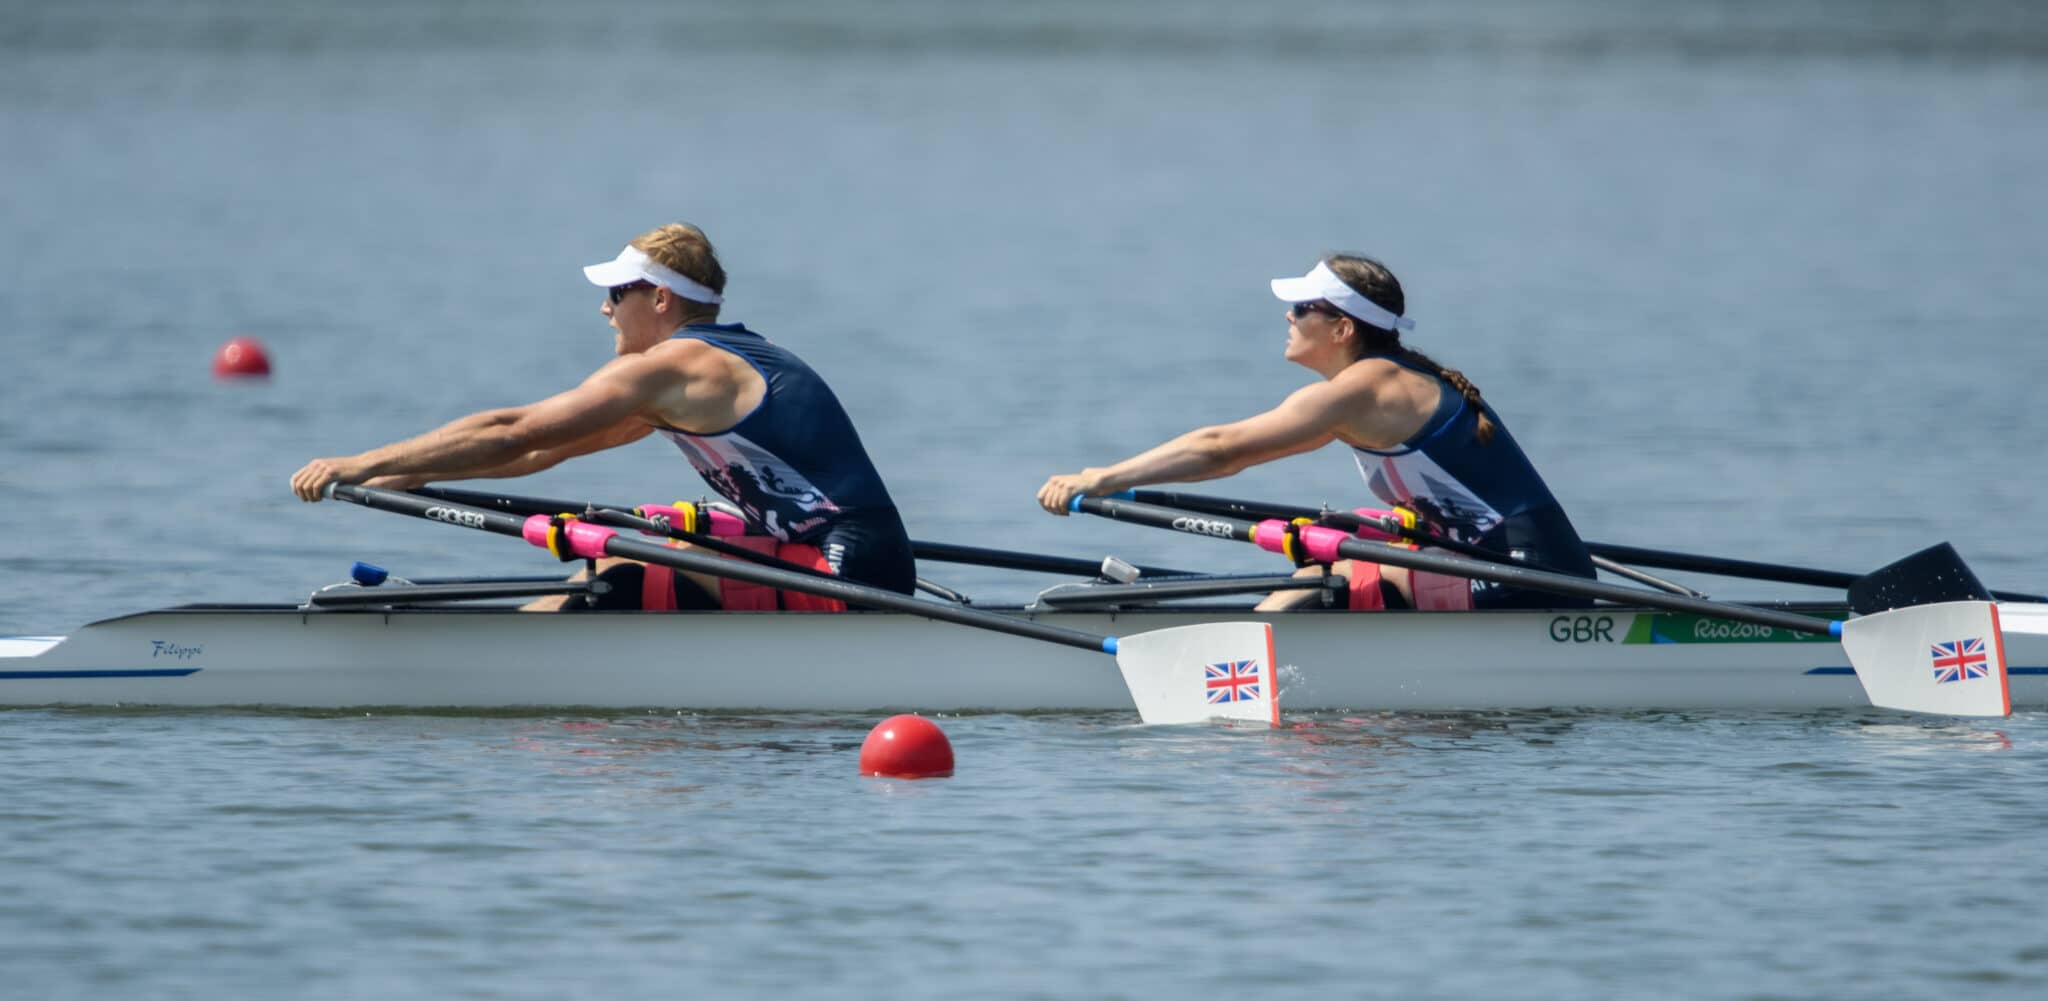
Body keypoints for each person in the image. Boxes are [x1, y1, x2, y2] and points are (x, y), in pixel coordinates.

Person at [290, 223, 915, 611]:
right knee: (631, 564)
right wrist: (398, 479)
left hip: (850, 573)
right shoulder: (696, 376)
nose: (605, 309)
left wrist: (361, 460)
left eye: (617, 293)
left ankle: (513, 669)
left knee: (617, 575)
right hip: (842, 557)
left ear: (661, 299)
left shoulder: (679, 366)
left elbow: (515, 428)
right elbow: (540, 453)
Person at [1035, 254, 1594, 611]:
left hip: (1538, 580)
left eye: (1302, 308)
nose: (1288, 317)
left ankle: (1239, 670)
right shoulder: (1377, 381)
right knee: (1320, 569)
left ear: (1343, 328)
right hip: (1482, 564)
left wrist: (1102, 477)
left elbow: (1224, 449)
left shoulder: (1371, 388)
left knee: (1319, 584)